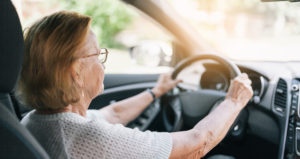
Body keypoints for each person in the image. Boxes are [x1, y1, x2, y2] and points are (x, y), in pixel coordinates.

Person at [19, 11, 253, 159]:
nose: (103, 65)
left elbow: (112, 113)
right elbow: (195, 146)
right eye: (98, 55)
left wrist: (156, 92)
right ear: (76, 73)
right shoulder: (90, 138)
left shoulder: (33, 121)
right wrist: (233, 101)